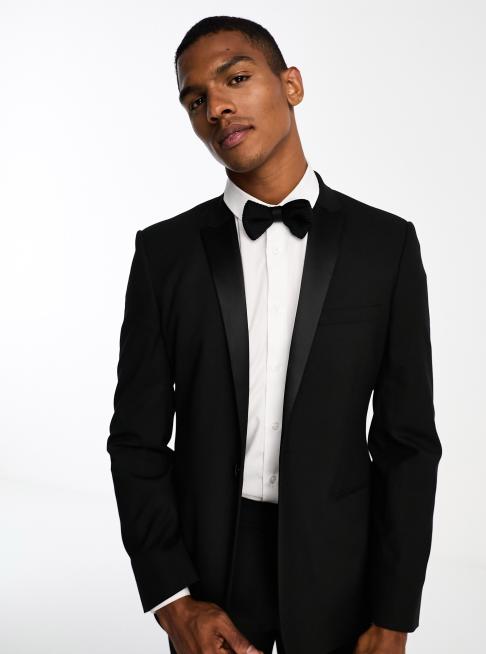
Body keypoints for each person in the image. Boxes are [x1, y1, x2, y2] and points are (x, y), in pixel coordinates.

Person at [107, 15, 442, 654]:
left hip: (342, 570)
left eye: (235, 79)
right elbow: (136, 441)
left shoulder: (386, 247)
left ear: (291, 85)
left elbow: (407, 443)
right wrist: (174, 602)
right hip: (210, 567)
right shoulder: (163, 255)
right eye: (195, 100)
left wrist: (395, 613)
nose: (216, 107)